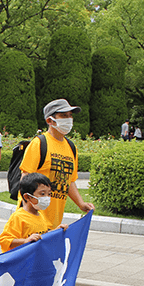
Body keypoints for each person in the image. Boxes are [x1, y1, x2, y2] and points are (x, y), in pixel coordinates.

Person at [0, 172, 70, 286]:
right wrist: (26, 240)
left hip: (43, 273)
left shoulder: (42, 216)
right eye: (42, 193)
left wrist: (56, 232)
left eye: (48, 193)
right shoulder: (19, 218)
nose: (47, 198)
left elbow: (44, 236)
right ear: (27, 197)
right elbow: (5, 240)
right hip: (25, 273)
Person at [19, 99, 94, 231]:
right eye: (64, 116)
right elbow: (25, 180)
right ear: (50, 121)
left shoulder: (71, 148)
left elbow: (69, 181)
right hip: (33, 221)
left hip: (55, 222)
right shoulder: (39, 144)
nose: (69, 119)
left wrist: (81, 204)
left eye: (70, 115)